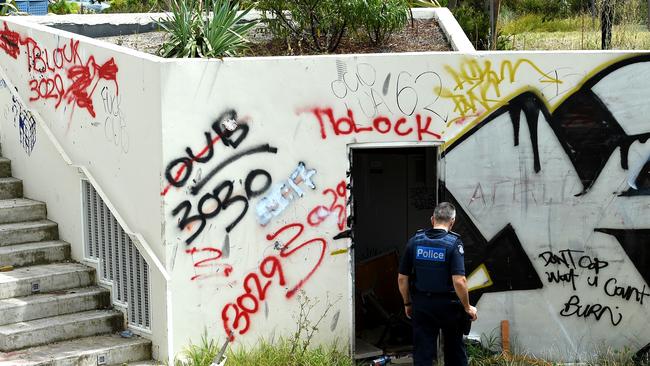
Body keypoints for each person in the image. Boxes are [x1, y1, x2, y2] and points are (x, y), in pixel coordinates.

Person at [397, 202, 478, 366]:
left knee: (423, 354)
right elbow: (459, 281)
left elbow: (402, 278)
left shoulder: (415, 241)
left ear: (432, 219)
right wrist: (467, 306)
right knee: (455, 352)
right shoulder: (454, 244)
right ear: (452, 221)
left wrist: (407, 302)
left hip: (422, 305)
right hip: (449, 307)